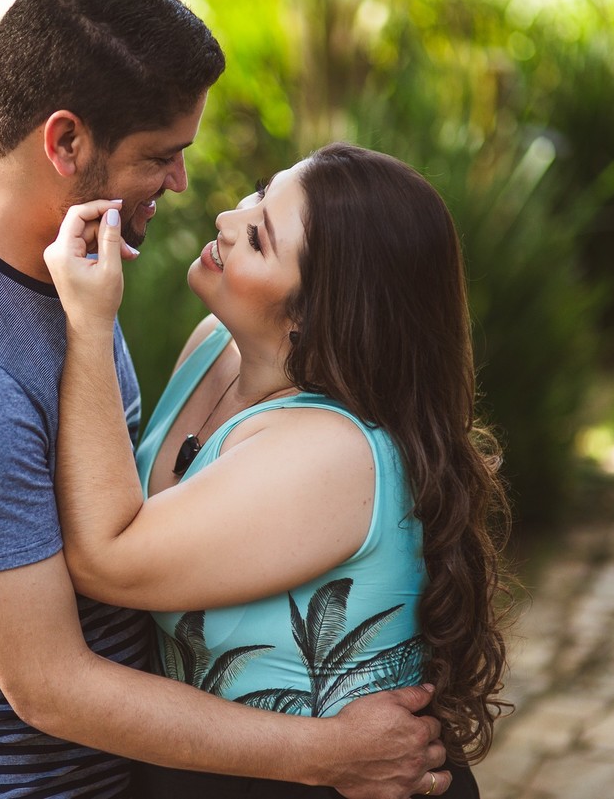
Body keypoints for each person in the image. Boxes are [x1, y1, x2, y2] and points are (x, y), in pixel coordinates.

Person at [0, 0, 451, 795]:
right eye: (160, 156)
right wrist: (331, 753)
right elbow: (51, 684)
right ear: (66, 142)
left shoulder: (67, 268)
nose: (186, 184)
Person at [45, 142, 512, 798]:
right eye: (260, 193)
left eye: (259, 237)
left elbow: (107, 558)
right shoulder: (215, 347)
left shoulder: (333, 452)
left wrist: (90, 324)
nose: (227, 220)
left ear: (314, 314)